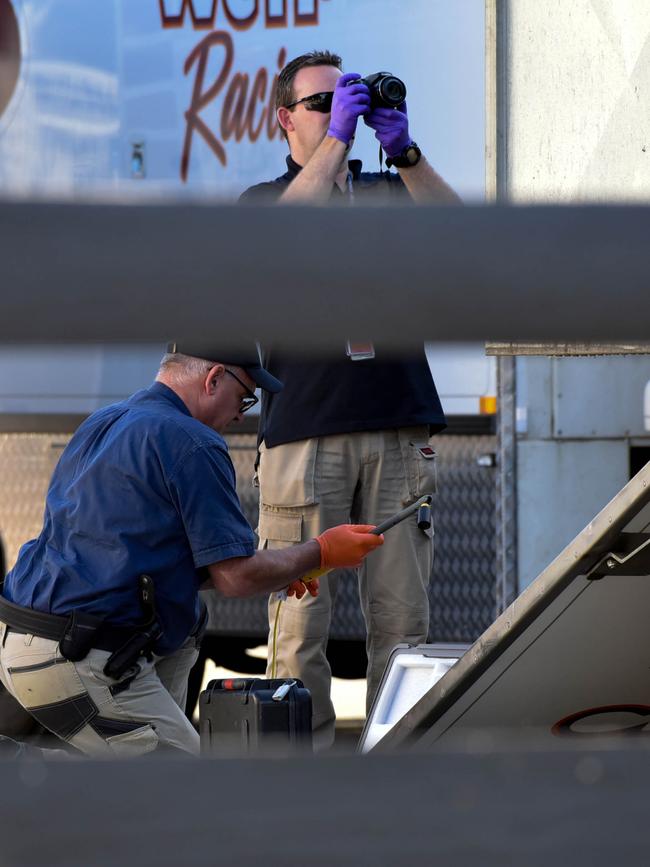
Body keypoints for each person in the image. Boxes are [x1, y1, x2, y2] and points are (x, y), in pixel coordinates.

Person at [0, 345, 383, 757]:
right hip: (77, 655)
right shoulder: (192, 441)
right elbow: (237, 577)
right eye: (244, 397)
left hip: (20, 639)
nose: (242, 414)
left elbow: (131, 555)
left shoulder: (104, 422)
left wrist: (284, 569)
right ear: (213, 378)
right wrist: (322, 551)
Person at [240, 51, 460, 748]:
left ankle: (394, 778)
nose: (343, 114)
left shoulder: (388, 192)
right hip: (305, 432)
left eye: (351, 101)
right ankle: (298, 790)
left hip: (397, 426)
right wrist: (338, 143)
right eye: (322, 105)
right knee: (299, 629)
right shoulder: (265, 200)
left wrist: (406, 150)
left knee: (402, 624)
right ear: (285, 119)